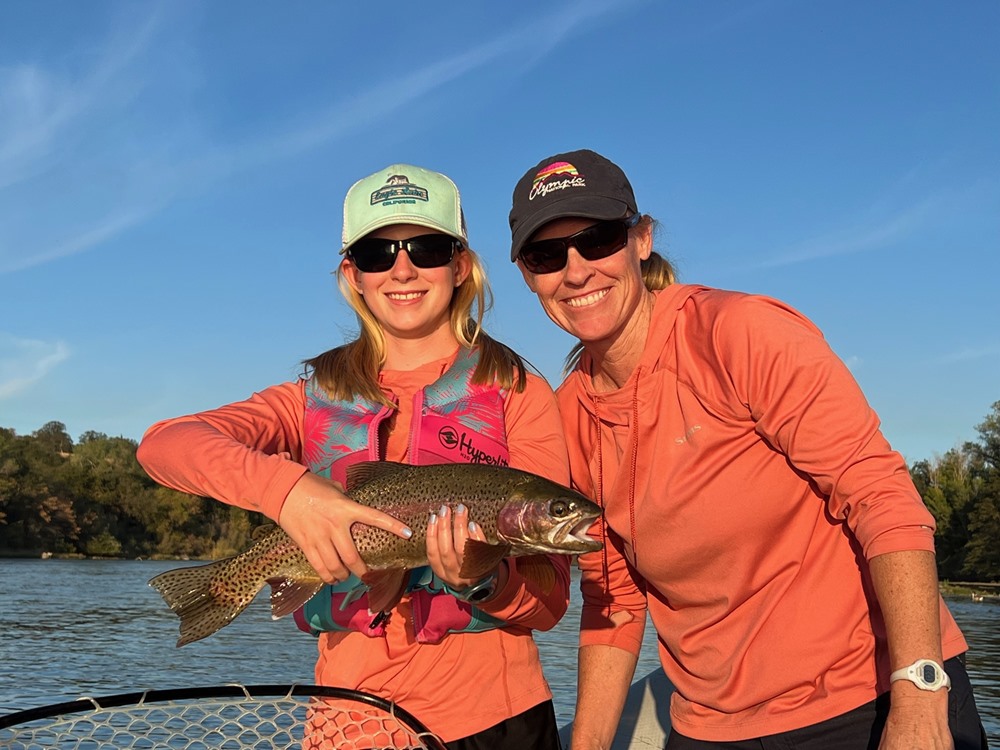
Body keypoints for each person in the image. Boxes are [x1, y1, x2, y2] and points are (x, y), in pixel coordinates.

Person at [507, 149, 988, 750]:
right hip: (711, 725)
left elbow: (882, 498)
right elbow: (614, 602)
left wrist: (918, 697)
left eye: (597, 240)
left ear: (641, 239)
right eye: (546, 255)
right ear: (528, 275)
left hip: (867, 697)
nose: (575, 272)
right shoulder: (569, 414)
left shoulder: (739, 333)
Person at [137, 163, 572, 749]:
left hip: (494, 717)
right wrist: (288, 493)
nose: (403, 268)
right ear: (353, 274)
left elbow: (549, 604)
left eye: (426, 247)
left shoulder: (518, 391)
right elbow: (164, 444)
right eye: (376, 253)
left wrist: (484, 581)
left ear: (460, 265)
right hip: (348, 724)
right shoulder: (309, 396)